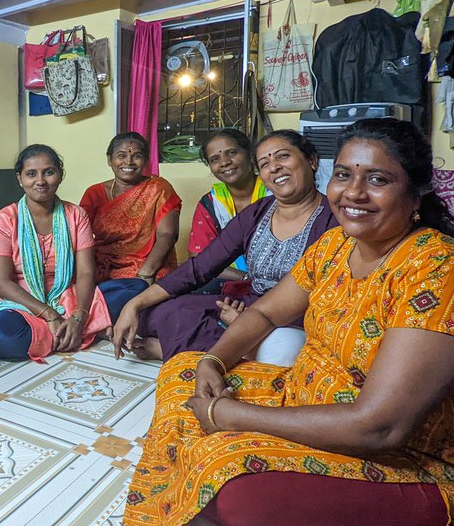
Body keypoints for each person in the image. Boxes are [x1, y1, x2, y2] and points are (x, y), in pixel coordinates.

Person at [123, 118, 454, 526]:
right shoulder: (335, 245)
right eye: (345, 175)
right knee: (182, 370)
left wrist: (230, 416)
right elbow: (263, 310)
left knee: (229, 479)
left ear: (415, 192)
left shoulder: (435, 267)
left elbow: (380, 427)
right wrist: (214, 361)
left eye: (378, 179)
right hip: (304, 394)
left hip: (398, 456)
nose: (353, 192)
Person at [113, 130, 338, 365]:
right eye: (265, 163)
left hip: (294, 317)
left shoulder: (334, 219)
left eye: (282, 157)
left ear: (311, 160)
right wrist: (135, 303)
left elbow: (327, 297)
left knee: (285, 350)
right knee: (159, 312)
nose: (274, 167)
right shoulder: (257, 213)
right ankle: (231, 349)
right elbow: (199, 267)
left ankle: (173, 349)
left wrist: (247, 322)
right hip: (249, 304)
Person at [0, 144, 111, 361]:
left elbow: (86, 273)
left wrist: (79, 317)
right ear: (19, 178)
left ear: (60, 175)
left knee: (132, 289)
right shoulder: (5, 219)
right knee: (1, 335)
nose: (40, 181)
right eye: (31, 174)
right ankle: (78, 333)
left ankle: (66, 332)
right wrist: (49, 314)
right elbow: (1, 283)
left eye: (48, 172)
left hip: (67, 295)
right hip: (20, 301)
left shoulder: (75, 215)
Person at [80, 132, 181, 320]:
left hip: (148, 264)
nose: (129, 162)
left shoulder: (158, 188)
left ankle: (106, 315)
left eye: (136, 156)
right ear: (109, 160)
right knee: (78, 290)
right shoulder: (93, 193)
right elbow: (79, 237)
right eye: (121, 156)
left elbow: (168, 234)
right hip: (103, 266)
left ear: (146, 160)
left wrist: (146, 272)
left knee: (154, 289)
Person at [188, 129, 269, 293]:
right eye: (215, 159)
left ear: (249, 153)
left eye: (232, 153)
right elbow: (199, 259)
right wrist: (245, 278)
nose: (224, 162)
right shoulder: (211, 203)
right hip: (230, 281)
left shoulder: (275, 193)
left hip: (278, 280)